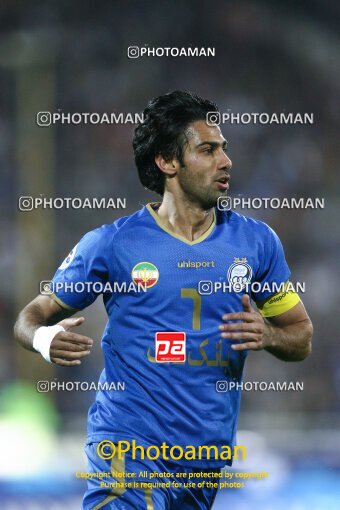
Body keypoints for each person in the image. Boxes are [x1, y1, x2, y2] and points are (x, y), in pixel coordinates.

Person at [14, 90, 313, 510]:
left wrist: (268, 335)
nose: (226, 161)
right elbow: (29, 317)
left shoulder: (257, 243)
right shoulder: (112, 243)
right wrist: (44, 339)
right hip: (128, 450)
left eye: (224, 149)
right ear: (167, 162)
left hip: (203, 462)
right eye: (207, 150)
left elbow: (301, 337)